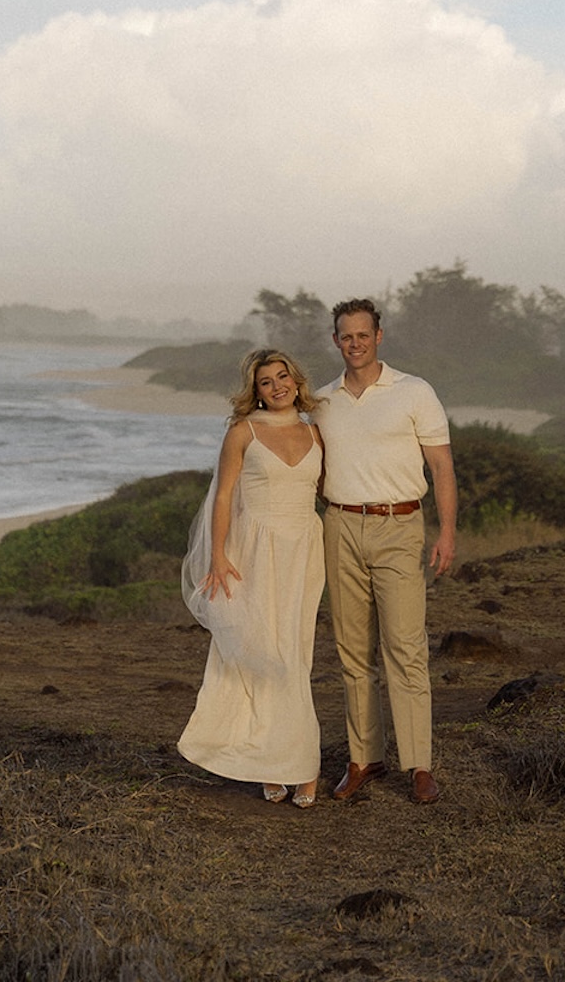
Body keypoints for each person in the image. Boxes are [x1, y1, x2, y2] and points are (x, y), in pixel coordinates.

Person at [316, 297, 456, 805]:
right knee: (353, 651)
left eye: (362, 334)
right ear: (335, 341)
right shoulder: (322, 400)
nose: (354, 343)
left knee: (404, 647)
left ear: (379, 336)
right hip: (340, 525)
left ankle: (418, 764)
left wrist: (446, 534)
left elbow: (441, 468)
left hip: (399, 526)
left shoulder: (414, 391)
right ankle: (364, 758)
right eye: (345, 336)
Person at [178, 350, 325, 805]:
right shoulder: (242, 432)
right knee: (260, 653)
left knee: (294, 654)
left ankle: (300, 763)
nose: (277, 386)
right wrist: (218, 556)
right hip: (253, 552)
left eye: (283, 377)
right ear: (255, 391)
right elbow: (222, 497)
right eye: (266, 381)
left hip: (303, 550)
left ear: (296, 381)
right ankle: (270, 760)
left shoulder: (316, 432)